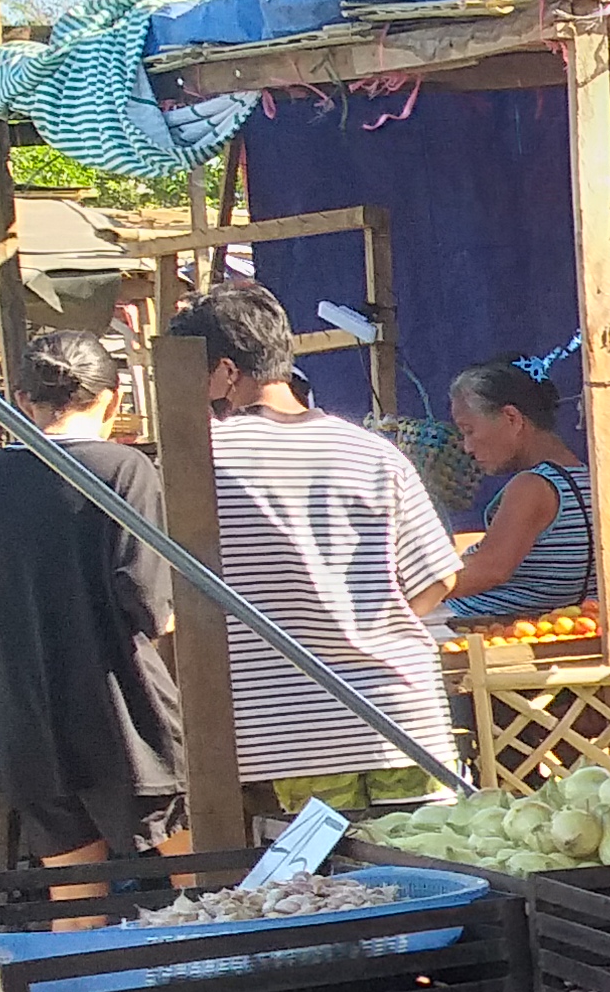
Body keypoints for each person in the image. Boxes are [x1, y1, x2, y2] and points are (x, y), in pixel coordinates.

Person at [189, 277, 457, 799]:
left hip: (286, 734)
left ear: (224, 371)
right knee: (431, 872)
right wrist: (361, 625)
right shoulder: (372, 453)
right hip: (403, 717)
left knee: (316, 882)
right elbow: (439, 575)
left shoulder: (203, 462)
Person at [0, 329, 182, 886]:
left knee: (76, 909)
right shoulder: (126, 470)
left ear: (23, 400)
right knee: (203, 887)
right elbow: (150, 604)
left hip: (25, 723)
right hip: (127, 719)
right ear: (114, 400)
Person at [431, 358, 597, 630]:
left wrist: (400, 588)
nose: (467, 447)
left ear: (512, 418)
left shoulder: (534, 487)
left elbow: (490, 569)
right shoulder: (586, 478)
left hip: (482, 631)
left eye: (468, 430)